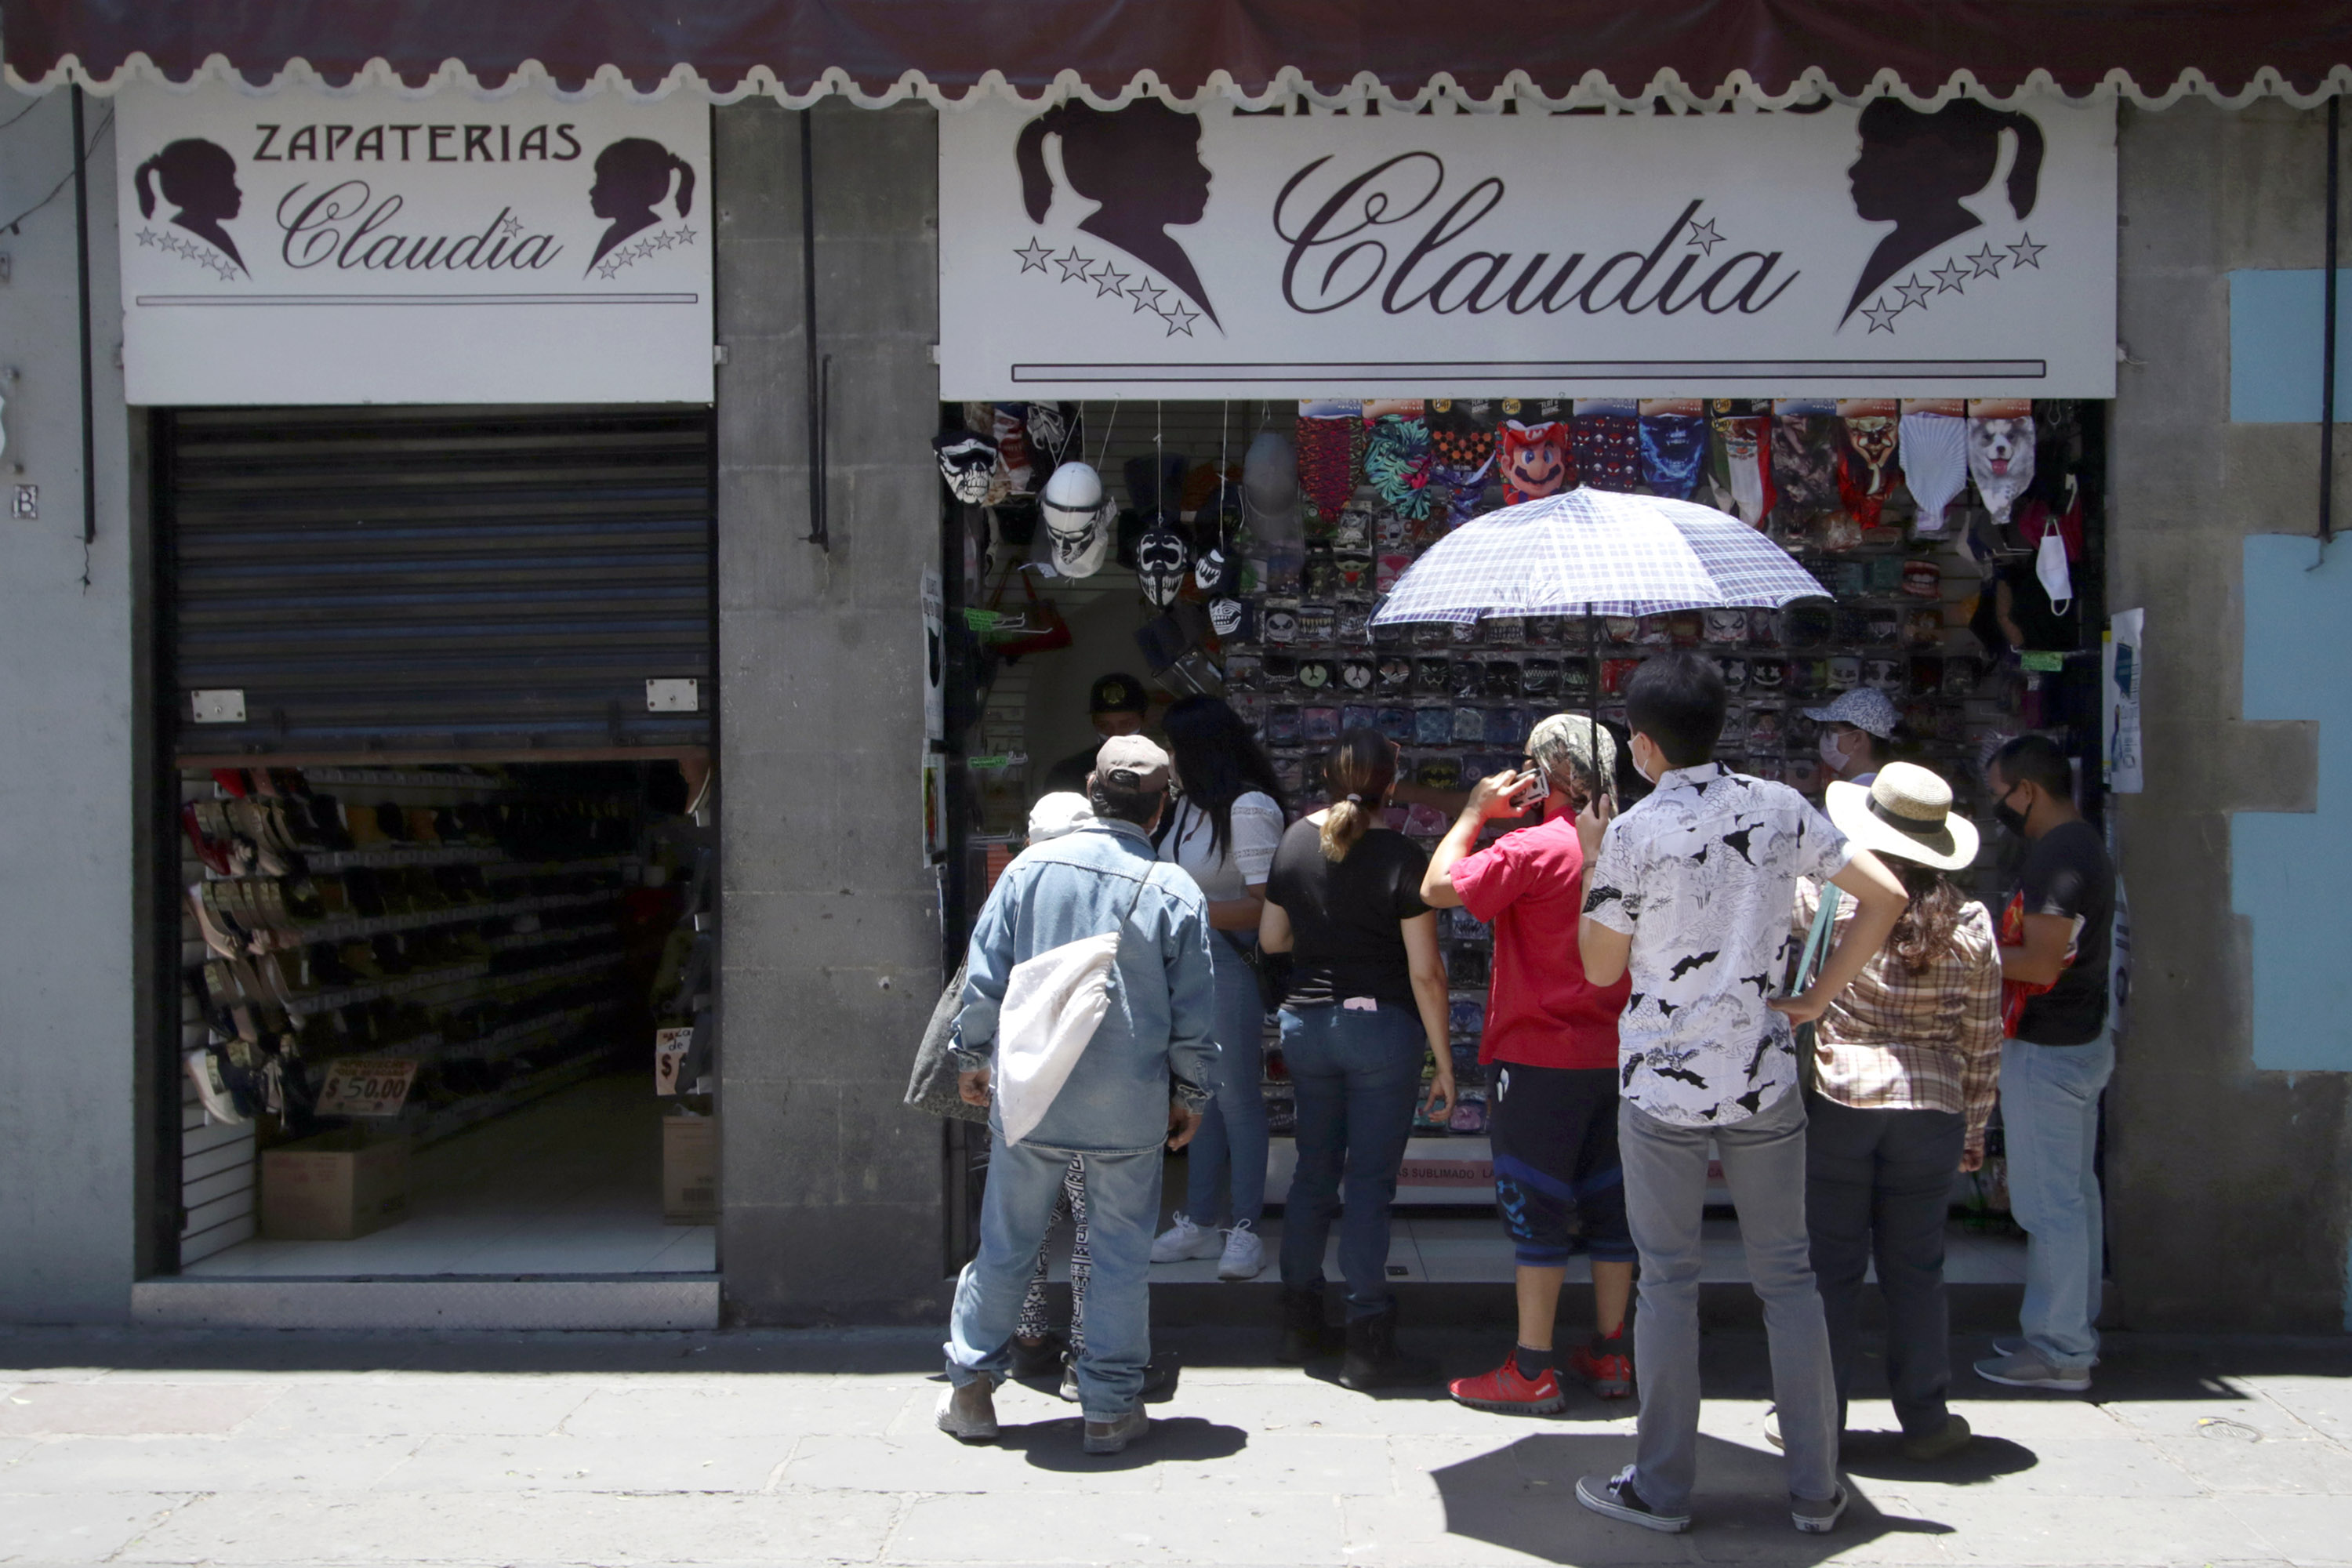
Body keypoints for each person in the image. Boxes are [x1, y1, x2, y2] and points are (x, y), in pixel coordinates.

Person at [1573, 652, 1907, 1537]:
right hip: (1761, 1072)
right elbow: (1886, 895)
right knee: (1788, 1278)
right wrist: (1817, 997)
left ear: (1642, 744)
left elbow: (1602, 967)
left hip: (1660, 1086)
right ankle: (1814, 1487)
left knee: (1669, 1282)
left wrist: (1592, 860)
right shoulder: (1780, 806)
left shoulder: (1636, 832)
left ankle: (1663, 1485)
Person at [940, 737, 1216, 1456]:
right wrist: (1191, 1092)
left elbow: (985, 973)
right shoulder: (1172, 888)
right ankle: (1107, 1407)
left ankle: (971, 1391)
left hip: (1032, 1092)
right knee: (1120, 1256)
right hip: (1129, 1102)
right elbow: (1196, 1011)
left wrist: (971, 1054)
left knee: (1007, 1244)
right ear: (1160, 808)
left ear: (1093, 789)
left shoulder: (1028, 868)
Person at [1418, 714, 1639, 1413]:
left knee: (1538, 1217)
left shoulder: (1535, 845)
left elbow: (1438, 887)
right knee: (1613, 1216)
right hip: (1624, 1056)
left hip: (1540, 1059)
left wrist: (1476, 812)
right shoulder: (1636, 842)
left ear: (1554, 773)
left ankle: (1532, 1367)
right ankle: (1611, 1357)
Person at [1793, 762, 2000, 1463]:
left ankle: (1820, 1418)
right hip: (1931, 1108)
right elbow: (1981, 1036)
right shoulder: (1971, 923)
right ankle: (1925, 1417)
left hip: (1842, 1100)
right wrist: (1975, 1128)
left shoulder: (1829, 902)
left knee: (1831, 1268)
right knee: (1918, 1269)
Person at [1259, 728, 1455, 1389]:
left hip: (1306, 1027)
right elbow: (1426, 974)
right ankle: (1367, 1342)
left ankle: (1298, 1323)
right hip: (1380, 1030)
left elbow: (1272, 939)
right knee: (1370, 1184)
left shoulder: (1291, 842)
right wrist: (1446, 1064)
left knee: (1313, 1174)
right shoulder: (1402, 854)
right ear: (1389, 785)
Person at [1974, 734, 2115, 1394]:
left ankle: (2060, 1351)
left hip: (2049, 1050)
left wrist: (1966, 957)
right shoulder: (2080, 843)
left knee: (2049, 1204)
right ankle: (2071, 1329)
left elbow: (2038, 961)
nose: (1997, 806)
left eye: (2000, 793)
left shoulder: (2060, 857)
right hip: (2075, 1044)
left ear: (2026, 790)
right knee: (2074, 1197)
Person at [1149, 695, 1288, 1280]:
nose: (1169, 759)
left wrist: (1184, 908)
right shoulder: (1186, 809)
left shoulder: (1249, 807)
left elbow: (1269, 908)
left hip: (1230, 964)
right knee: (1199, 1093)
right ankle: (1202, 1221)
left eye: (1176, 748)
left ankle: (1245, 1229)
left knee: (1236, 1098)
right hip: (1186, 963)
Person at [1042, 673, 1150, 795]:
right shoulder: (1067, 774)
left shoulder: (1164, 772)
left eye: (1125, 725)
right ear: (1094, 723)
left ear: (1144, 720)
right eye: (1105, 726)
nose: (1115, 734)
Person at [1802, 688, 1900, 786]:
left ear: (1857, 739)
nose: (1825, 736)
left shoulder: (1856, 796)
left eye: (1833, 729)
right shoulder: (1891, 789)